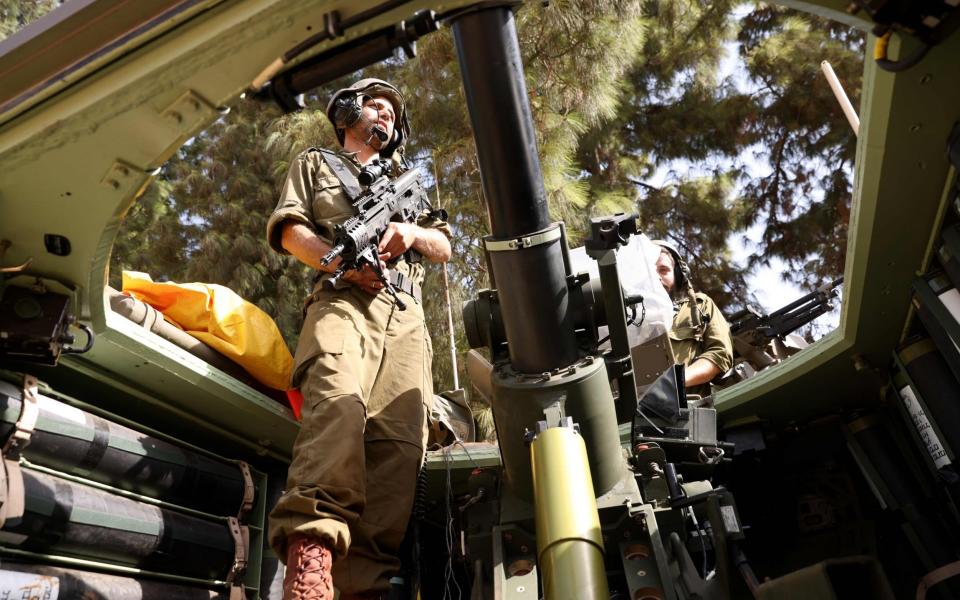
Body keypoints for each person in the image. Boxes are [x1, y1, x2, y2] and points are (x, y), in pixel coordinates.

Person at [265, 78, 452, 600]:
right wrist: (342, 266)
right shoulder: (315, 164)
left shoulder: (407, 182)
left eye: (393, 110)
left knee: (397, 448)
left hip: (406, 318)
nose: (386, 114)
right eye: (375, 104)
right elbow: (290, 230)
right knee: (338, 409)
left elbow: (443, 245)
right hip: (341, 301)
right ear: (347, 111)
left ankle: (359, 587)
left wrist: (411, 234)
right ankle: (311, 554)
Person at [653, 241, 733, 397]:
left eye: (663, 270)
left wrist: (676, 381)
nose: (656, 277)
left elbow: (720, 353)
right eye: (650, 270)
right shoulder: (622, 318)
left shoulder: (698, 307)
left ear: (677, 275)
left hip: (686, 411)